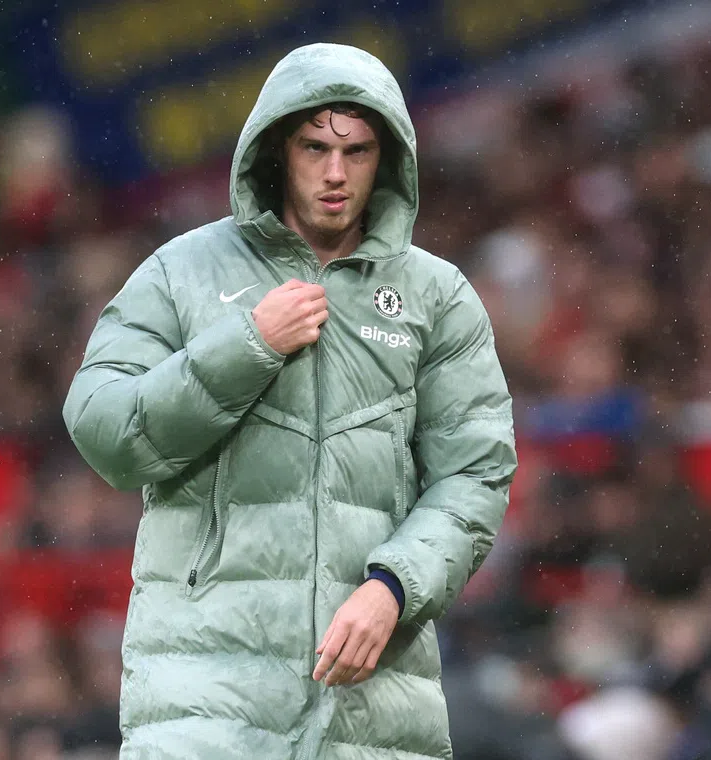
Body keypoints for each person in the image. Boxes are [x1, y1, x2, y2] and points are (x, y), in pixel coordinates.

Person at [64, 43, 517, 759]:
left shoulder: (438, 297)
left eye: (358, 151)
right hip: (200, 696)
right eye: (315, 147)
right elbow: (103, 430)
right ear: (277, 149)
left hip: (372, 704)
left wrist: (394, 588)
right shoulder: (181, 271)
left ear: (387, 158)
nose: (335, 173)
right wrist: (248, 344)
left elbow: (478, 474)